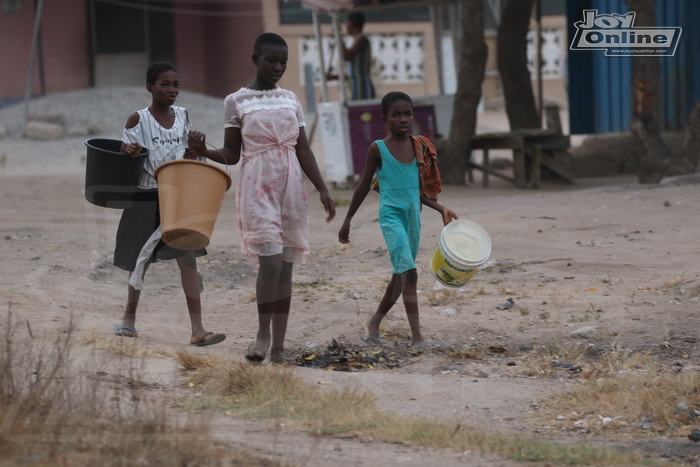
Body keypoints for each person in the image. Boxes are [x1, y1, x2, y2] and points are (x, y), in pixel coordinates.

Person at [190, 33, 336, 364]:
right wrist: (204, 151)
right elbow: (231, 153)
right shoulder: (236, 101)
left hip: (291, 188)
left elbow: (302, 148)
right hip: (257, 187)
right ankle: (262, 334)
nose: (278, 66)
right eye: (271, 60)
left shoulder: (291, 99)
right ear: (254, 59)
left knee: (285, 267)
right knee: (269, 262)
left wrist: (323, 189)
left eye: (283, 61)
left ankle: (280, 345)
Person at [113, 61, 226, 347]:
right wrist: (129, 150)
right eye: (164, 84)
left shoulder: (183, 115)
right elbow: (125, 150)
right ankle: (129, 319)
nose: (171, 89)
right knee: (141, 259)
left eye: (176, 84)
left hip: (178, 198)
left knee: (187, 259)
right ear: (150, 87)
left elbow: (188, 154)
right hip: (148, 197)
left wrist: (195, 150)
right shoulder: (137, 120)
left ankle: (198, 330)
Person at [338, 91, 458, 347]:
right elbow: (362, 186)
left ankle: (374, 322)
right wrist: (348, 219)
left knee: (399, 277)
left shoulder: (419, 148)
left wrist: (440, 208)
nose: (403, 119)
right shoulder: (378, 149)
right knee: (410, 273)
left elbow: (418, 191)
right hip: (391, 218)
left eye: (407, 114)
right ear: (385, 119)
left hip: (413, 219)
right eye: (396, 115)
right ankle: (417, 336)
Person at [327, 11, 375, 101]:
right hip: (356, 86)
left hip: (362, 87)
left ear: (350, 23)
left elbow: (347, 56)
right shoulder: (358, 39)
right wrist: (333, 77)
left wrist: (339, 38)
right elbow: (352, 74)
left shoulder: (361, 38)